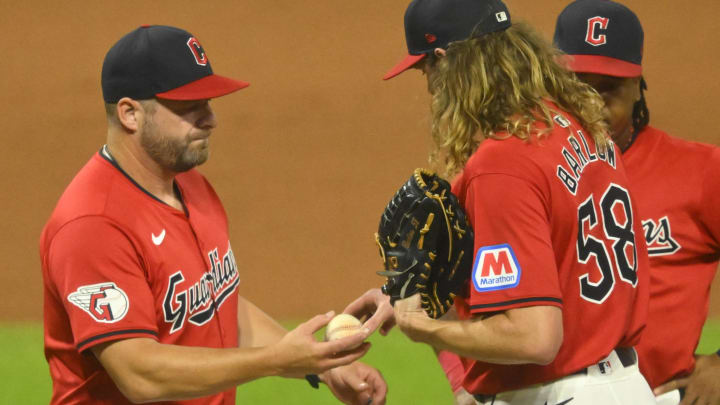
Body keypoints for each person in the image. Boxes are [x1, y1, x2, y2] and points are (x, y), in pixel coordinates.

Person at [39, 25, 387, 405]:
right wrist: (274, 361)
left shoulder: (191, 185)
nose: (210, 119)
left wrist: (321, 365)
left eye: (207, 102)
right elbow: (139, 374)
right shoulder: (93, 225)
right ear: (130, 114)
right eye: (188, 107)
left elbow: (218, 305)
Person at [345, 0, 657, 403]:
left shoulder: (503, 163)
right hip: (623, 386)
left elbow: (534, 338)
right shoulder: (579, 126)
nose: (430, 88)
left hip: (563, 391)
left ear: (445, 62)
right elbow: (561, 252)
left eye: (426, 71)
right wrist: (401, 295)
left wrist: (423, 327)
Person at [553, 2, 720, 404]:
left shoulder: (701, 170)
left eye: (609, 88)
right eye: (578, 86)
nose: (592, 103)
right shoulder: (521, 173)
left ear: (637, 85)